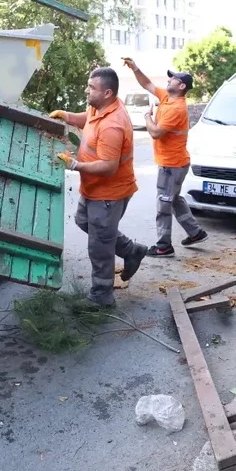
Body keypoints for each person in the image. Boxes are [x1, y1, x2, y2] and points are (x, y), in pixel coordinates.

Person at [49, 67, 149, 306]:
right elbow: (87, 118)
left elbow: (108, 166)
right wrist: (67, 116)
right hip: (92, 189)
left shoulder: (113, 125)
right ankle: (130, 250)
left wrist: (75, 165)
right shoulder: (99, 106)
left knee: (99, 247)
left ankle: (102, 297)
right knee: (83, 222)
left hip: (109, 194)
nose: (87, 90)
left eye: (91, 87)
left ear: (107, 92)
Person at [121, 58, 208, 257]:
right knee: (174, 199)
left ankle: (163, 246)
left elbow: (156, 133)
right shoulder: (167, 98)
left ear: (182, 86)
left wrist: (147, 116)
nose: (169, 81)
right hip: (176, 164)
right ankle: (196, 233)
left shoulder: (176, 108)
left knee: (163, 204)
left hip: (172, 166)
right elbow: (147, 84)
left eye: (174, 79)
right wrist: (136, 68)